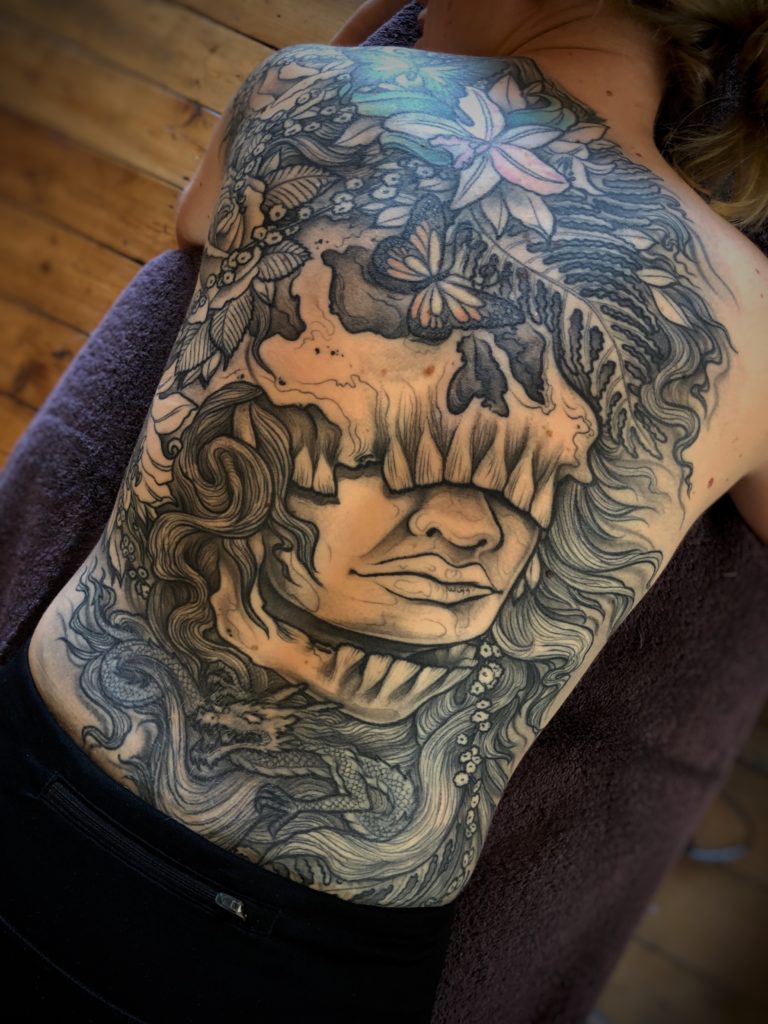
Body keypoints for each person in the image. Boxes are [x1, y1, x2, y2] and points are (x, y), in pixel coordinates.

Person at [2, 0, 767, 1019]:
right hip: (303, 963)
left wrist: (380, 34)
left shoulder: (307, 93)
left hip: (36, 786)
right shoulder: (746, 311)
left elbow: (200, 219)